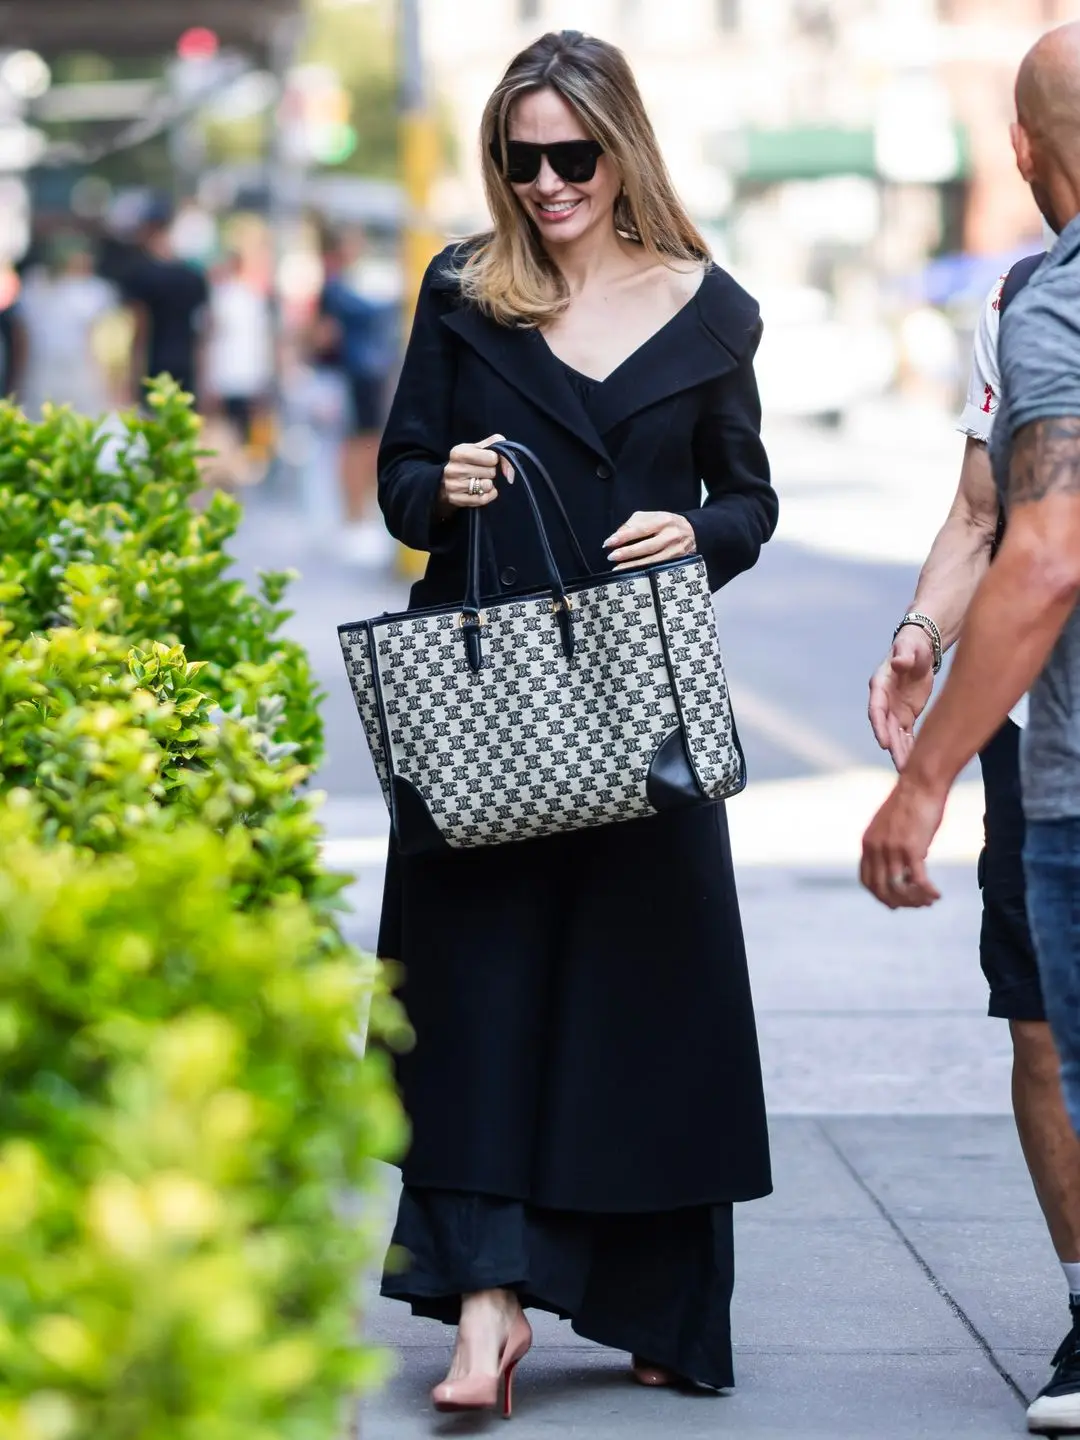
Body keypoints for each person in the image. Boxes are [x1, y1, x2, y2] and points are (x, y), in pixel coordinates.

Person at [373, 29, 777, 1415]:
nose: (545, 182)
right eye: (520, 157)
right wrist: (452, 486)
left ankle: (656, 1301)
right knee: (477, 1000)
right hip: (487, 696)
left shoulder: (710, 310)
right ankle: (485, 1314)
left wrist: (699, 533)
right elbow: (398, 482)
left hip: (634, 698)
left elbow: (748, 497)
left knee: (645, 1011)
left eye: (570, 155)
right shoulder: (464, 292)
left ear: (621, 152)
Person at [861, 22, 1080, 1434]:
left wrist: (924, 774)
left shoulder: (1057, 303)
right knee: (1046, 1028)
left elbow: (1049, 547)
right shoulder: (1020, 303)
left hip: (1055, 751)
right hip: (1032, 718)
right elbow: (985, 514)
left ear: (1015, 147)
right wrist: (926, 635)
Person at [315, 229, 397, 565]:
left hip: (364, 375)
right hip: (354, 375)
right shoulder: (337, 288)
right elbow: (324, 334)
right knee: (357, 445)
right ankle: (354, 516)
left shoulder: (347, 285)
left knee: (364, 444)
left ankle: (357, 515)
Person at [115, 198, 209, 407]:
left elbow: (140, 329)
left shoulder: (140, 274)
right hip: (187, 368)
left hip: (154, 368)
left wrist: (131, 378)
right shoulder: (193, 275)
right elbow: (203, 333)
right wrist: (205, 379)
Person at [17, 232, 119, 420]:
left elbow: (104, 342)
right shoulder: (36, 285)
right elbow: (23, 337)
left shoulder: (94, 291)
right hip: (43, 366)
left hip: (81, 369)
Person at [205, 250, 274, 443]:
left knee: (233, 431)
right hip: (241, 376)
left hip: (230, 376)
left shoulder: (226, 297)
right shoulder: (251, 297)